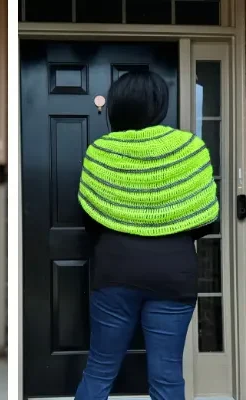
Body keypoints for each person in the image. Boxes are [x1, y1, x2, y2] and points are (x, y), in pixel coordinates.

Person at [75, 71, 219, 400]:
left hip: (115, 273)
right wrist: (166, 221)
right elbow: (205, 223)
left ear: (117, 105)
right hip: (174, 274)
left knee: (98, 371)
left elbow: (90, 222)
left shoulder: (100, 152)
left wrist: (127, 218)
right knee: (167, 379)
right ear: (160, 105)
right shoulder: (191, 149)